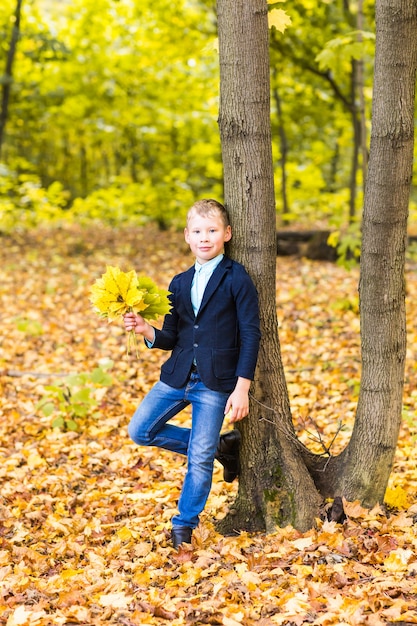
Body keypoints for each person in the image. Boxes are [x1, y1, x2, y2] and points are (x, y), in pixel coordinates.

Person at [123, 199, 260, 549]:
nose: (205, 238)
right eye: (197, 231)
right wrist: (145, 329)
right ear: (187, 236)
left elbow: (250, 333)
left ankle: (184, 523)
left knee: (197, 460)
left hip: (215, 383)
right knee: (140, 430)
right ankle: (216, 446)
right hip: (177, 376)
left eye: (212, 231)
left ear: (226, 234)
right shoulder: (180, 283)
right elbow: (170, 336)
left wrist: (241, 388)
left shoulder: (236, 278)